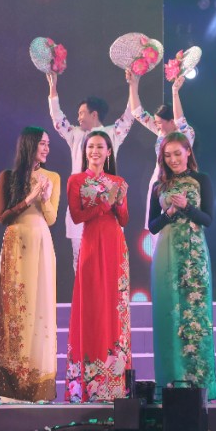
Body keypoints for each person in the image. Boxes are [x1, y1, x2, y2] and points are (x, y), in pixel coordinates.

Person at [148, 132, 216, 399]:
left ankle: (199, 386)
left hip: (195, 254)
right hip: (167, 256)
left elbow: (208, 219)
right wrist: (168, 213)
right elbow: (152, 227)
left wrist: (187, 207)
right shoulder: (159, 185)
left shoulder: (202, 180)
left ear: (188, 151)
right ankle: (171, 384)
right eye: (168, 155)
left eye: (178, 153)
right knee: (170, 316)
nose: (173, 159)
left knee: (196, 316)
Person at [0, 126, 60, 403]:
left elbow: (52, 218)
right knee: (15, 308)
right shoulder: (8, 177)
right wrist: (28, 199)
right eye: (42, 143)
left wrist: (44, 200)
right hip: (15, 243)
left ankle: (38, 386)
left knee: (40, 308)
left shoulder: (53, 177)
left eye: (48, 144)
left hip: (41, 242)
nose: (46, 148)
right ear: (29, 145)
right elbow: (3, 217)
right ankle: (14, 387)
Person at [65, 130, 131, 402]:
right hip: (91, 246)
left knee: (114, 310)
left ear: (108, 152)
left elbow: (124, 219)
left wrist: (119, 201)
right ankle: (88, 384)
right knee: (91, 309)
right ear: (85, 151)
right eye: (90, 146)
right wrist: (106, 202)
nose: (94, 151)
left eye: (100, 147)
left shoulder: (118, 181)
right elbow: (77, 216)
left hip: (115, 247)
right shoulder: (76, 180)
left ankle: (115, 384)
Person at [46, 71, 134, 272]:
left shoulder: (112, 133)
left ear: (94, 115)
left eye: (81, 113)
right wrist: (53, 89)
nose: (78, 118)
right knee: (81, 265)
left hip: (108, 208)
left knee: (109, 265)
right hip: (82, 206)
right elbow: (58, 119)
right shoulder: (76, 135)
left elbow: (129, 116)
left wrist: (133, 84)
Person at [127, 69, 195, 248]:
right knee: (156, 230)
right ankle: (158, 264)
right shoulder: (160, 133)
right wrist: (133, 84)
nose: (156, 125)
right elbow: (137, 112)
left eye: (159, 122)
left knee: (177, 232)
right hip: (158, 183)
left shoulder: (186, 134)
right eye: (155, 123)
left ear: (171, 121)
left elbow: (180, 121)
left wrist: (175, 92)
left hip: (179, 185)